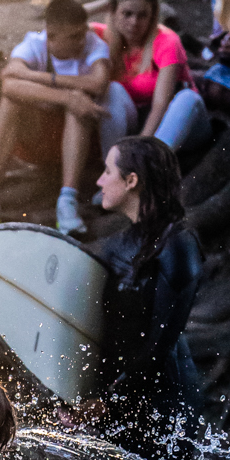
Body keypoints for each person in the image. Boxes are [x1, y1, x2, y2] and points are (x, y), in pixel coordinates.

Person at [0, 0, 113, 236]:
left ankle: (68, 201)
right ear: (51, 36)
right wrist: (66, 95)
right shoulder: (33, 43)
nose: (82, 40)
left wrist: (42, 81)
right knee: (10, 101)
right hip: (37, 138)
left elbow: (98, 83)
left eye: (83, 32)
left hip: (80, 142)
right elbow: (9, 85)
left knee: (80, 104)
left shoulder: (94, 43)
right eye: (74, 36)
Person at [90, 136, 203, 423]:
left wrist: (107, 402)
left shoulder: (178, 245)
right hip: (118, 395)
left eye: (107, 172)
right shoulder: (119, 244)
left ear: (131, 181)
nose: (99, 182)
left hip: (164, 405)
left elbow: (159, 345)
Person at [92, 0, 211, 159]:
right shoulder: (104, 36)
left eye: (142, 15)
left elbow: (160, 105)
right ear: (114, 12)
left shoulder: (167, 41)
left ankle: (146, 167)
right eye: (127, 14)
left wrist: (139, 152)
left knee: (188, 98)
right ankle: (113, 165)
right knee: (113, 89)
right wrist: (103, 3)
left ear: (152, 17)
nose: (134, 22)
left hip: (180, 124)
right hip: (136, 123)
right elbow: (58, 21)